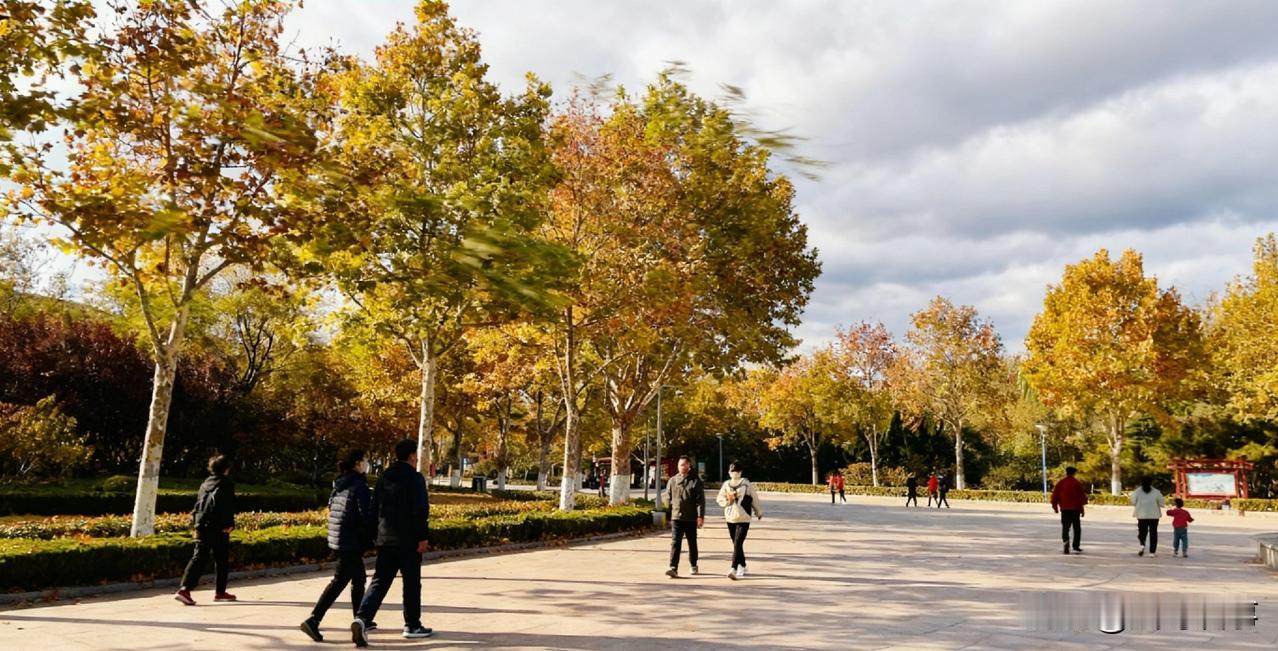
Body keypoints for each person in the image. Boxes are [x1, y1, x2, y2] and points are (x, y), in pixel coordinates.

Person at [352, 439, 433, 646]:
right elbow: (421, 511)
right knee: (412, 582)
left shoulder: (384, 477)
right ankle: (412, 625)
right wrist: (423, 537)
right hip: (409, 540)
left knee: (380, 581)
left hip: (385, 538)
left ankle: (361, 618)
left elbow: (373, 509)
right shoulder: (415, 478)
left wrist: (374, 536)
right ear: (412, 456)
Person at [302, 449, 376, 642]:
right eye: (365, 460)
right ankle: (313, 620)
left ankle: (360, 619)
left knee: (358, 578)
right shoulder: (359, 485)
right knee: (339, 581)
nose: (367, 464)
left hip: (341, 537)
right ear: (358, 463)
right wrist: (374, 534)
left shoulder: (341, 482)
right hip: (350, 540)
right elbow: (366, 514)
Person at [174, 454, 237, 606]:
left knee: (199, 557)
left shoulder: (205, 484)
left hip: (202, 524)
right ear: (227, 469)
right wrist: (229, 524)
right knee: (221, 559)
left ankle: (185, 588)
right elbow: (226, 506)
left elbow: (199, 505)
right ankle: (219, 592)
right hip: (219, 526)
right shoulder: (226, 483)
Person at [716, 461, 764, 580]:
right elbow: (719, 498)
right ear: (729, 472)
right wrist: (728, 500)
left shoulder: (746, 484)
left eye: (737, 471)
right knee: (736, 543)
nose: (734, 473)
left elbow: (754, 498)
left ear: (741, 472)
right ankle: (742, 564)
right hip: (730, 517)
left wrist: (758, 512)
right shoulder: (726, 484)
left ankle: (733, 567)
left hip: (744, 517)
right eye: (732, 471)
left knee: (738, 542)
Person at [663, 456, 705, 578]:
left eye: (683, 464)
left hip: (691, 518)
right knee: (675, 542)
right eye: (680, 464)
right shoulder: (672, 481)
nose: (681, 467)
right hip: (677, 517)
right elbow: (668, 498)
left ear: (688, 466)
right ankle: (673, 567)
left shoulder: (695, 481)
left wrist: (700, 516)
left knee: (692, 543)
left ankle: (693, 564)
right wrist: (668, 514)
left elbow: (700, 501)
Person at [1050, 466, 1087, 554]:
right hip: (1075, 509)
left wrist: (1055, 507)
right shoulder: (1077, 483)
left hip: (1065, 509)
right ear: (1074, 473)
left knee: (1065, 527)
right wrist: (1082, 509)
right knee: (1077, 528)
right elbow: (1081, 497)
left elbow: (1055, 495)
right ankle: (1076, 545)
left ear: (1066, 472)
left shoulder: (1061, 483)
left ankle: (1066, 541)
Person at [1130, 477, 1165, 557]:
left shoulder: (1137, 492)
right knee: (1153, 533)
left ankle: (1142, 544)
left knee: (1142, 532)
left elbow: (1133, 501)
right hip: (1154, 516)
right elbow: (1161, 503)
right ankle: (1152, 552)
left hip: (1141, 516)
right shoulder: (1156, 492)